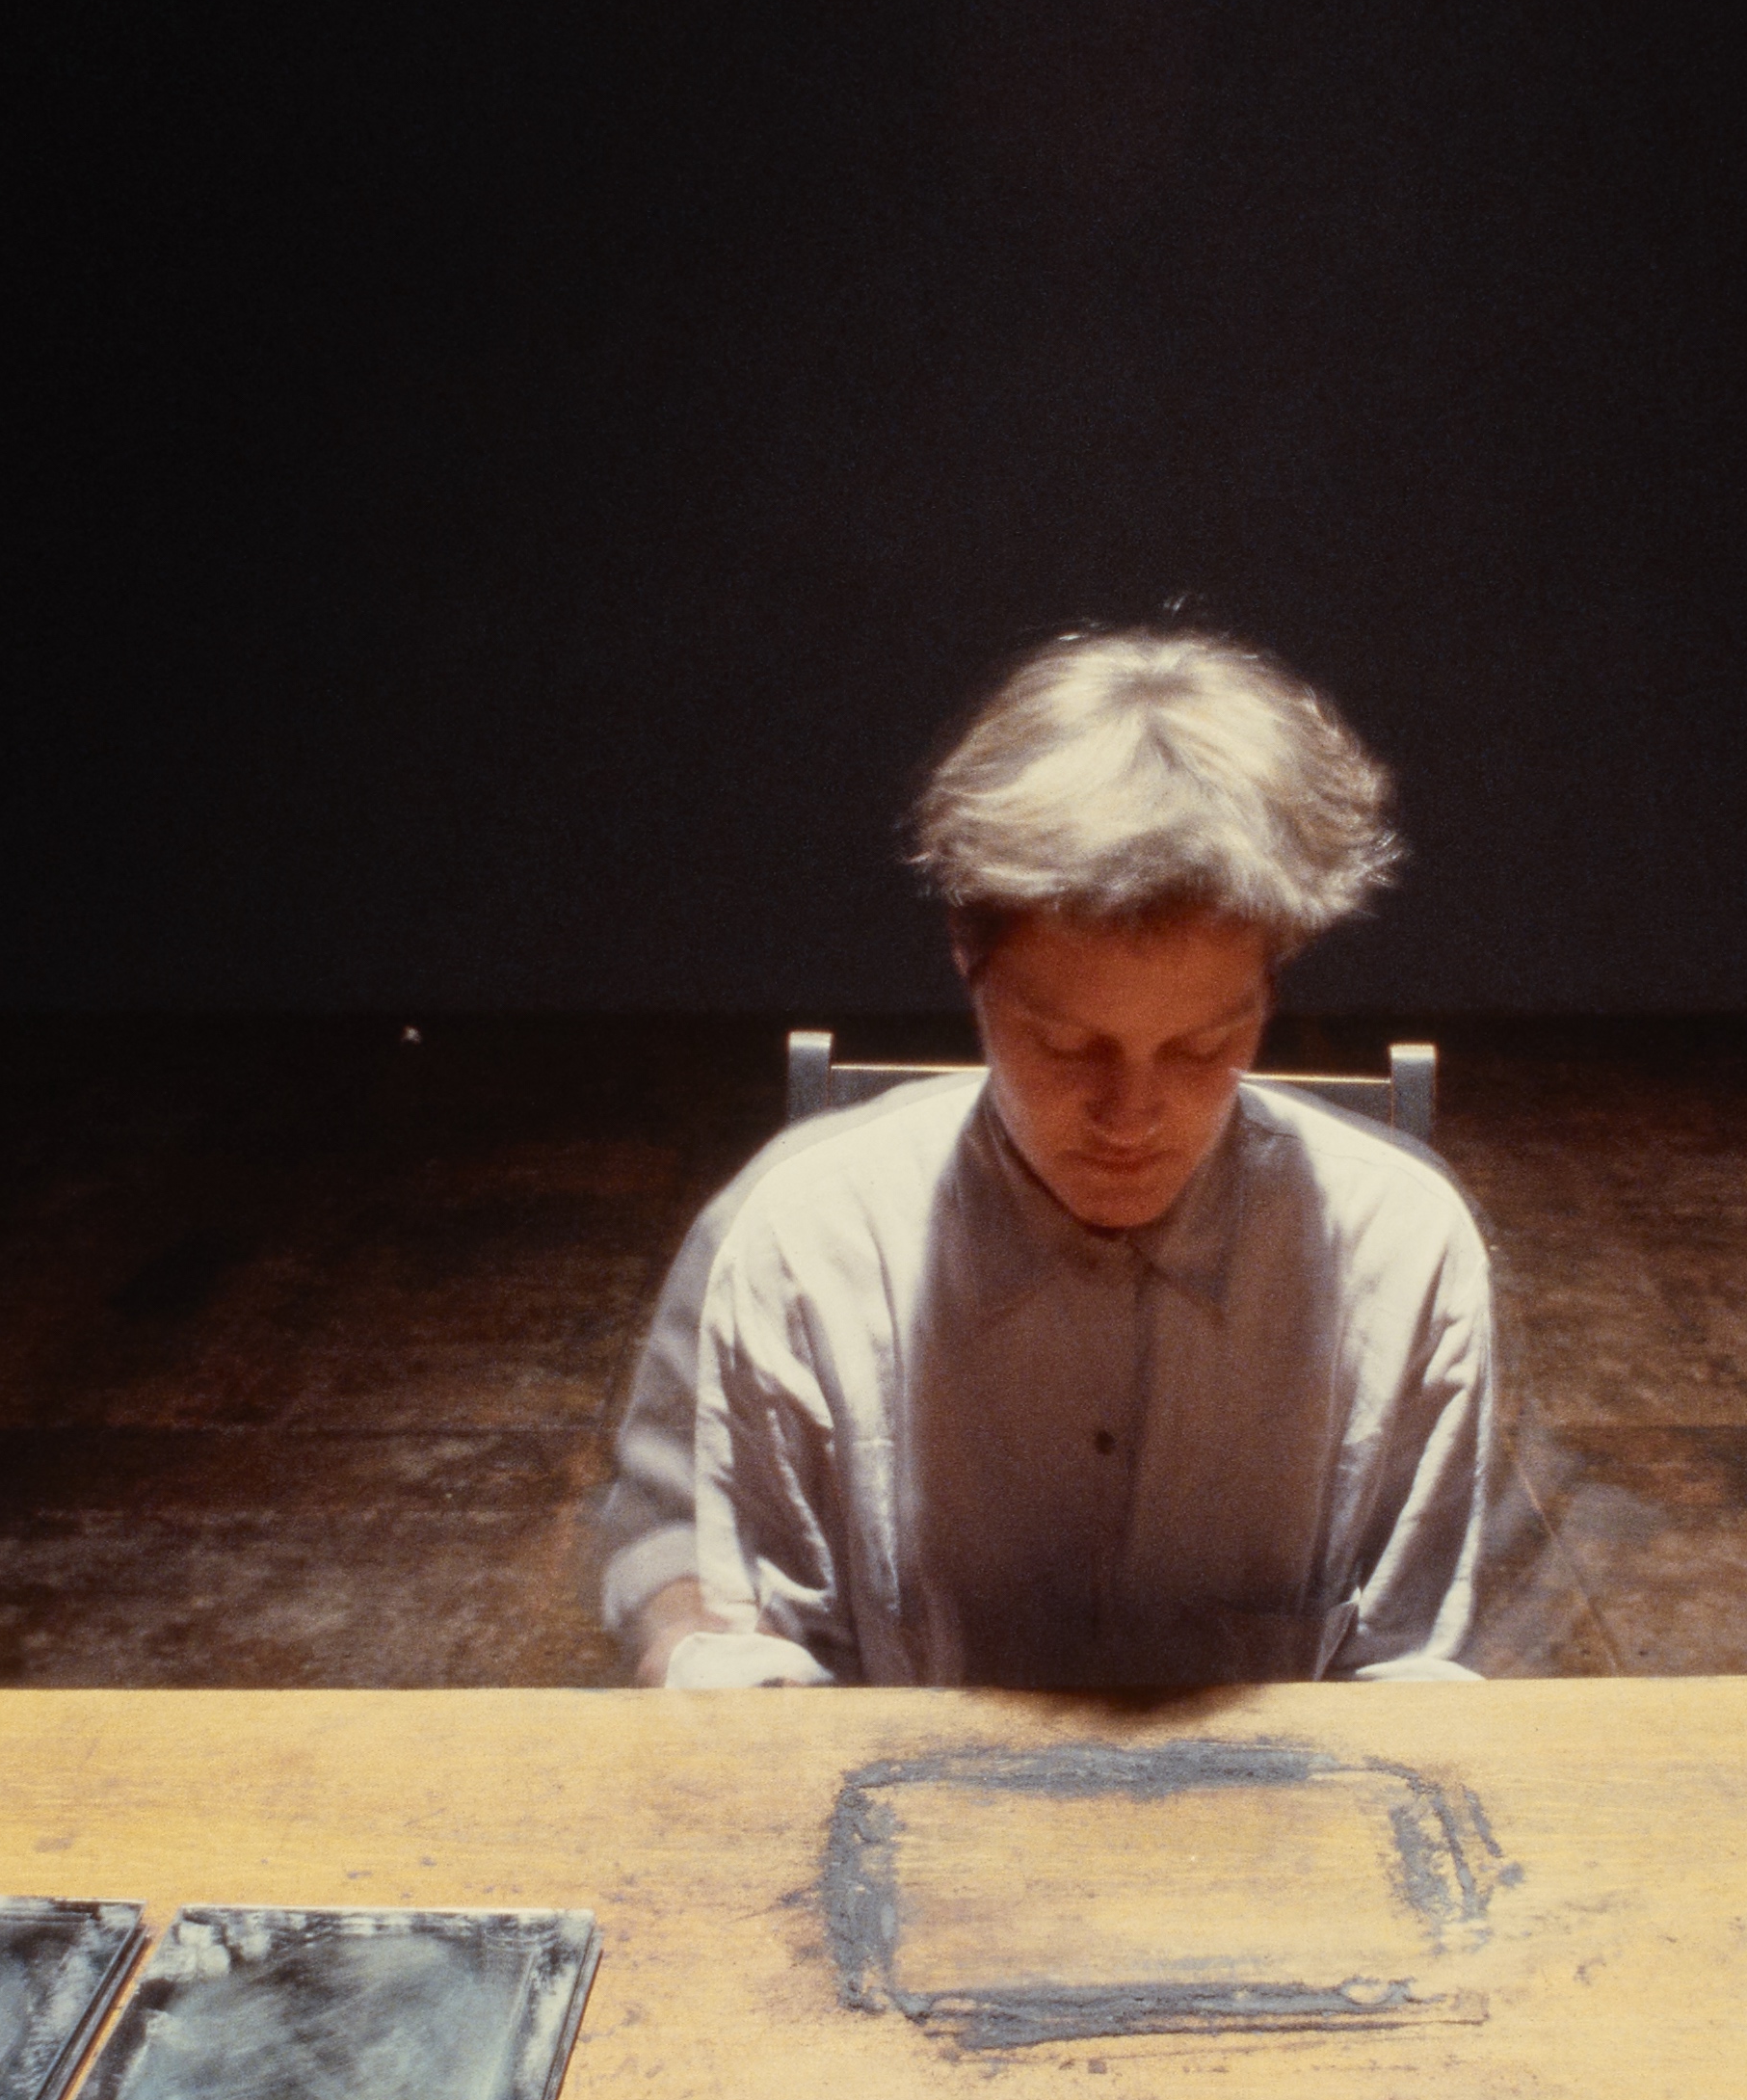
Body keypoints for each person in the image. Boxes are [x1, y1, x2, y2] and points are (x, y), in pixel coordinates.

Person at [592, 626, 1501, 1689]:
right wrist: (709, 1667)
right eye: (1066, 1045)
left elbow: (1404, 1677)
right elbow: (724, 1617)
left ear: (1273, 981)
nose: (1130, 1114)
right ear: (966, 961)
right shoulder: (799, 1245)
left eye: (1205, 1045)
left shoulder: (1405, 1254)